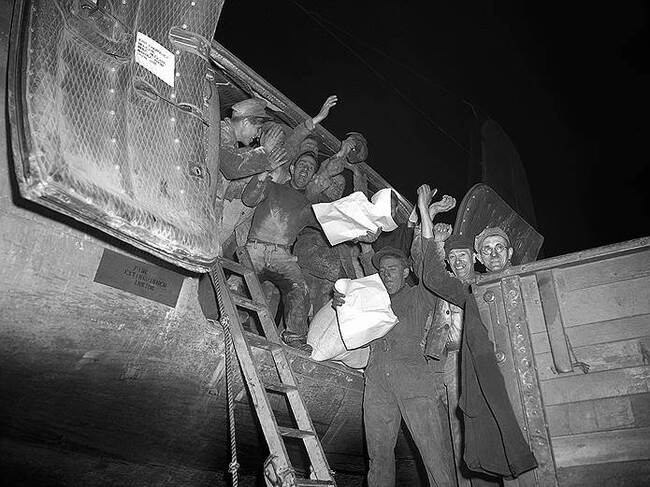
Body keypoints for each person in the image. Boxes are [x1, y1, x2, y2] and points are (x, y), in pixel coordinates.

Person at [332, 184, 456, 487]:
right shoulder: (372, 297)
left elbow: (429, 266)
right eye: (383, 269)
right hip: (376, 381)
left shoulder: (420, 294)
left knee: (434, 453)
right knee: (378, 458)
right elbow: (351, 313)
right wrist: (341, 302)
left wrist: (426, 211)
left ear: (405, 272)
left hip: (414, 376)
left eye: (393, 268)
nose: (386, 273)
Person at [419, 195, 538, 482]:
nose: (494, 254)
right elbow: (433, 276)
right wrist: (425, 210)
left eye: (499, 248)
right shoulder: (474, 290)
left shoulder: (529, 282)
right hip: (487, 373)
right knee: (485, 436)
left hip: (527, 370)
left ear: (509, 253)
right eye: (488, 250)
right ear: (481, 258)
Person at [241, 150, 323, 353]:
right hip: (255, 247)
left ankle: (294, 336)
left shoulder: (309, 206)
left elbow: (330, 226)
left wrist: (358, 233)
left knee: (299, 288)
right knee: (237, 283)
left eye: (310, 168)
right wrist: (262, 174)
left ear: (312, 177)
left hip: (282, 256)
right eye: (302, 164)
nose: (305, 169)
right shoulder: (272, 186)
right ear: (293, 169)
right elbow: (249, 199)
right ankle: (237, 320)